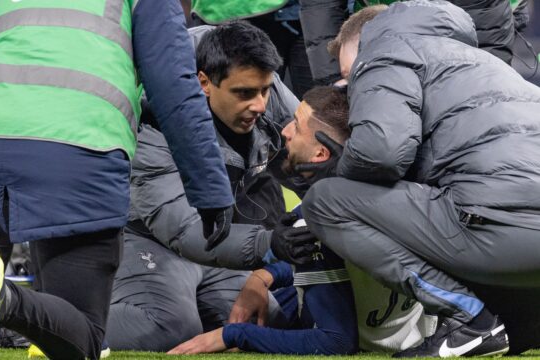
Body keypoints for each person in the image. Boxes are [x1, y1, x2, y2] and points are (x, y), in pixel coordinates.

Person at [0, 0, 236, 359]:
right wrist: (210, 187)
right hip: (79, 149)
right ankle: (4, 299)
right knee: (82, 339)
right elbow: (173, 85)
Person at [301, 1, 540, 357]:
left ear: (361, 43)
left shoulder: (383, 50)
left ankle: (470, 321)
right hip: (523, 240)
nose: (348, 88)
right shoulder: (484, 63)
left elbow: (380, 151)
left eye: (349, 74)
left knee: (325, 200)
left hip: (498, 230)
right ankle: (522, 322)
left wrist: (340, 168)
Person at [169, 86, 437, 356]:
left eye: (296, 126)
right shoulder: (404, 190)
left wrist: (235, 335)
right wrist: (265, 276)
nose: (285, 131)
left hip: (364, 340)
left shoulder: (318, 223)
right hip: (411, 333)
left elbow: (334, 342)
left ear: (321, 154)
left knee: (209, 321)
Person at [105, 22, 318, 351]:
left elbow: (314, 161)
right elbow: (182, 230)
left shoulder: (261, 85)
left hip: (215, 240)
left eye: (264, 90)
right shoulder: (155, 117)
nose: (260, 104)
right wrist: (269, 244)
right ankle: (47, 317)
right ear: (204, 83)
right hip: (145, 236)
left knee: (269, 321)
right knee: (168, 325)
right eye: (244, 94)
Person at [299, 0, 520, 86]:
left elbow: (486, 58)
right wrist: (335, 83)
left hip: (463, 36)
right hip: (374, 30)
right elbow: (321, 7)